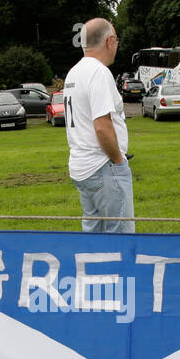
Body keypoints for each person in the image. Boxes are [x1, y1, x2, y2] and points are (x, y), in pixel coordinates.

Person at [63, 18, 133, 233]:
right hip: (103, 166)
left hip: (81, 167)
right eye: (117, 39)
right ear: (110, 41)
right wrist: (118, 160)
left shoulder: (73, 73)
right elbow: (102, 126)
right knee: (120, 238)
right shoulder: (99, 72)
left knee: (93, 240)